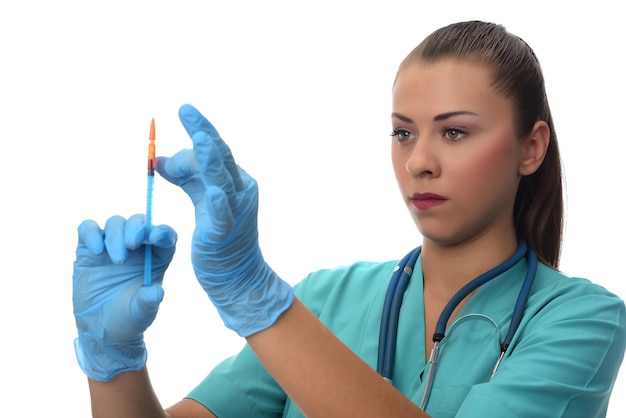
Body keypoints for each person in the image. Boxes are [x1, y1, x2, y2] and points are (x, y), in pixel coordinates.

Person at [72, 20, 626, 417]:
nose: (418, 161)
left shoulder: (581, 321)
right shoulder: (324, 301)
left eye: (455, 131)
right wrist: (114, 362)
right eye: (403, 132)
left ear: (531, 148)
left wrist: (252, 295)